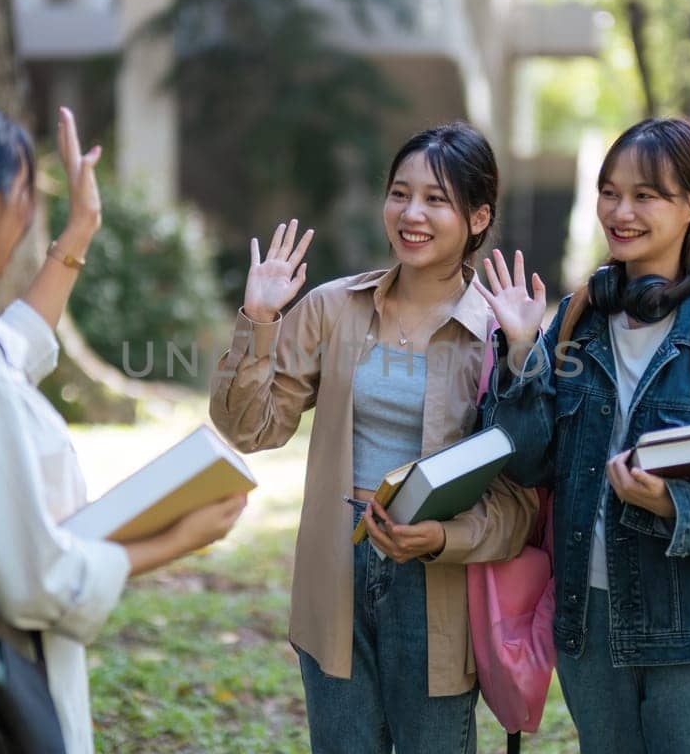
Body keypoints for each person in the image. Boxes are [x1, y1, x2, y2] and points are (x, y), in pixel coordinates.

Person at [0, 86, 246, 754]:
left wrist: (76, 235)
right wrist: (181, 537)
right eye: (27, 192)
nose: (30, 212)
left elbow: (7, 350)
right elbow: (36, 583)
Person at [208, 122, 538, 753]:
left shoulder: (499, 333)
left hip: (439, 578)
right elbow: (248, 428)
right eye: (400, 193)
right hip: (337, 566)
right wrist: (259, 319)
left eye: (436, 199)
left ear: (478, 217)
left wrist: (442, 536)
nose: (411, 214)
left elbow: (522, 499)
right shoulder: (334, 309)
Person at [475, 117, 690, 753]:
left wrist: (673, 504)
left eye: (645, 195)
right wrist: (520, 354)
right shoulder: (575, 323)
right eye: (609, 191)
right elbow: (526, 462)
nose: (620, 211)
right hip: (589, 618)